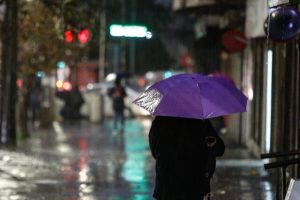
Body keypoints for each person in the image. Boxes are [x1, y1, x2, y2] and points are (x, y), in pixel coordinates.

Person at [149, 116, 225, 200]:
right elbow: (220, 149)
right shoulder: (199, 120)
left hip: (166, 184)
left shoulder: (161, 120)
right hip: (193, 184)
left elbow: (154, 150)